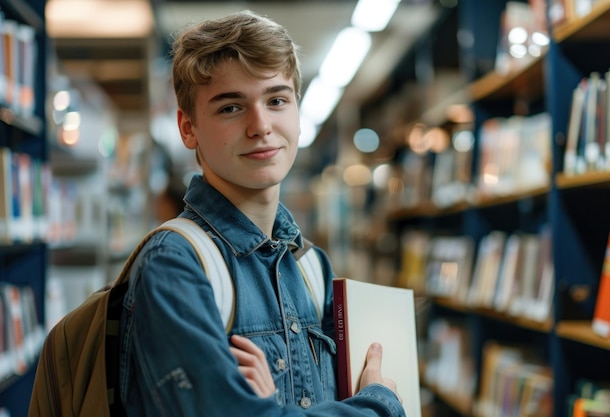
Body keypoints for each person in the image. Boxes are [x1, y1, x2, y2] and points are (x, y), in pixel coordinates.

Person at [118, 10, 405, 417]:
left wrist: (273, 406)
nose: (261, 125)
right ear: (188, 128)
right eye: (231, 108)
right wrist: (378, 405)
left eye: (276, 100)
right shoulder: (174, 264)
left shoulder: (310, 266)